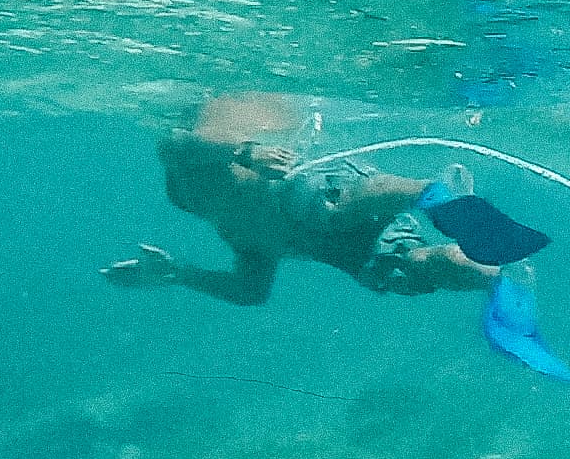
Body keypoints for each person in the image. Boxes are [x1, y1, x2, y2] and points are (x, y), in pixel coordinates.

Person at [103, 94, 503, 304]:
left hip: (300, 186)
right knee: (407, 274)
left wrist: (248, 152)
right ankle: (493, 273)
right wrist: (178, 274)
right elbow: (250, 292)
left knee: (337, 207)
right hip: (336, 240)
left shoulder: (210, 164)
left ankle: (431, 193)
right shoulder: (237, 236)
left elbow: (178, 143)